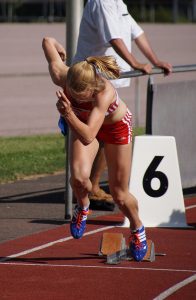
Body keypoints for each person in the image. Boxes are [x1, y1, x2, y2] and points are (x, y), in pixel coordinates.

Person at [42, 36, 151, 261]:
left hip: (113, 128)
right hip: (83, 125)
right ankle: (83, 207)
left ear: (91, 90)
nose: (73, 96)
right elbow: (46, 42)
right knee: (80, 180)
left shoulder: (104, 92)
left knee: (119, 195)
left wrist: (68, 113)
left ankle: (137, 227)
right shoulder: (63, 76)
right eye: (70, 92)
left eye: (78, 96)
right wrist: (56, 44)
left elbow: (88, 135)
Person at [72, 0, 172, 203]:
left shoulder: (118, 3)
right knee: (93, 133)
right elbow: (114, 38)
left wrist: (154, 61)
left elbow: (136, 33)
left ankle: (91, 184)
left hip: (109, 79)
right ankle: (87, 187)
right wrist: (136, 63)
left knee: (103, 132)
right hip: (92, 79)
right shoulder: (102, 2)